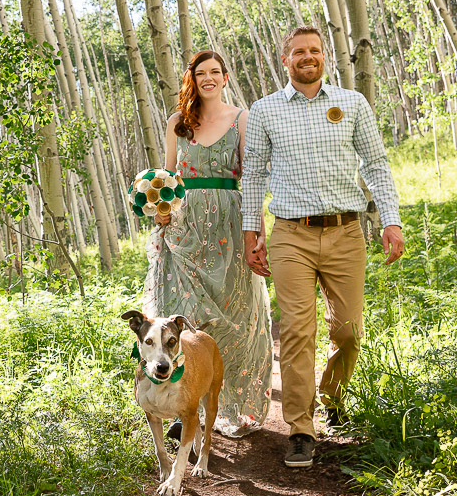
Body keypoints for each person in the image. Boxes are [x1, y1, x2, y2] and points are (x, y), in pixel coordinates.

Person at [241, 25, 405, 469]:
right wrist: (250, 233)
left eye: (314, 50)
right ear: (285, 60)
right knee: (297, 329)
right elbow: (253, 174)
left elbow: (375, 163)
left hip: (346, 234)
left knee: (348, 331)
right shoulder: (265, 110)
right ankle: (299, 427)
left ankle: (333, 398)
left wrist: (390, 220)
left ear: (325, 57)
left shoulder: (352, 103)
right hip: (290, 235)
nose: (307, 57)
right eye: (298, 52)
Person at [144, 50, 273, 438]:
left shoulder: (242, 119)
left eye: (216, 72)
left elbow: (251, 177)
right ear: (193, 79)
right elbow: (166, 177)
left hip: (229, 227)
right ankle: (184, 407)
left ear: (226, 76)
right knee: (184, 318)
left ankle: (228, 402)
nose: (209, 78)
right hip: (184, 230)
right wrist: (160, 212)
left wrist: (257, 229)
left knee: (233, 319)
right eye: (202, 73)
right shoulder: (177, 124)